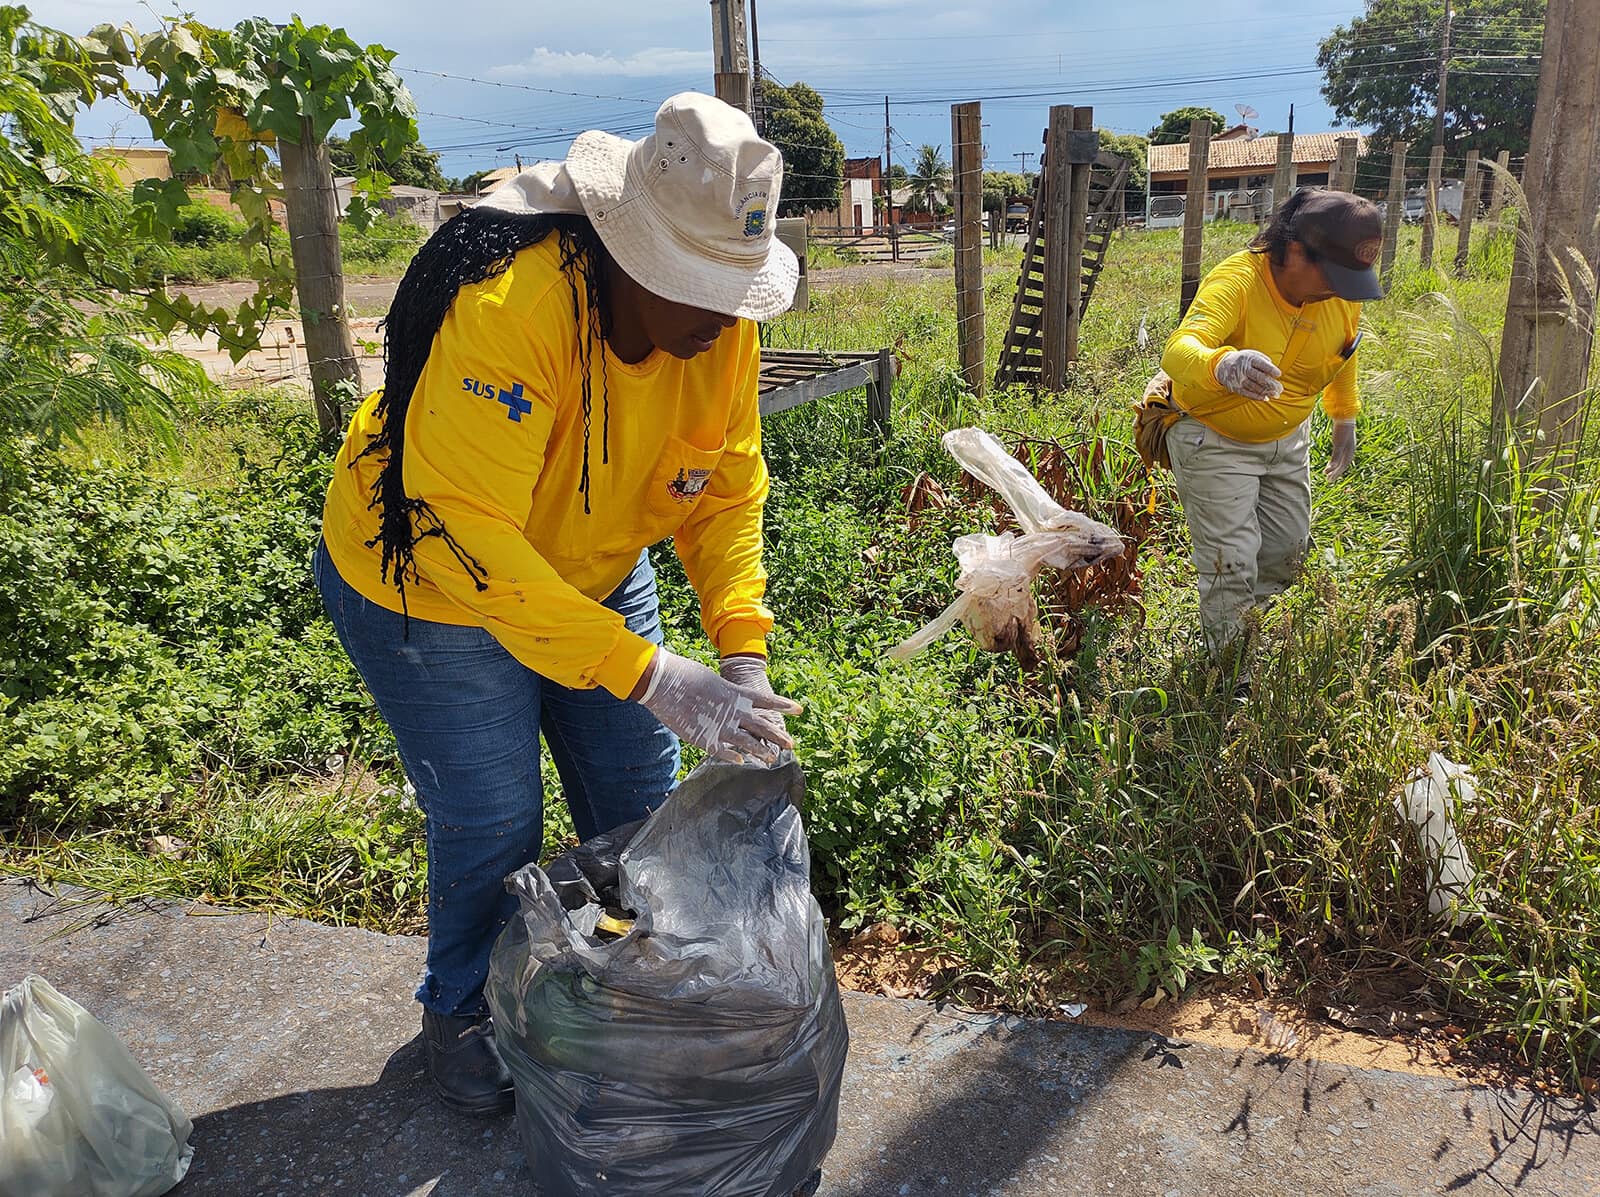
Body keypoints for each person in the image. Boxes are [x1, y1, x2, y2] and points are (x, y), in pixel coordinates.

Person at [314, 93, 803, 1115]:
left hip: (587, 565)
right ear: (628, 255)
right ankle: (459, 1011)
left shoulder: (722, 325)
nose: (722, 319)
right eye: (701, 292)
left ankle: (612, 990)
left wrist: (740, 650)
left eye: (736, 295)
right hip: (429, 582)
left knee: (637, 800)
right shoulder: (513, 307)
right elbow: (470, 536)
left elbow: (726, 489)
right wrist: (651, 672)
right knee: (492, 821)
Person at [1156, 187, 1384, 660]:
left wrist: (1344, 416)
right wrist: (1224, 365)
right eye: (1334, 276)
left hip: (1287, 439)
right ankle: (1230, 667)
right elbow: (1178, 350)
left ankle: (1247, 630)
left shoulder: (1339, 295)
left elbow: (1345, 350)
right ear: (1295, 250)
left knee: (1286, 552)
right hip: (1213, 437)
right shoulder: (1238, 280)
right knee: (1231, 559)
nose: (1339, 292)